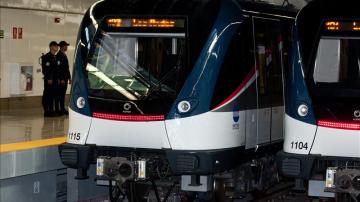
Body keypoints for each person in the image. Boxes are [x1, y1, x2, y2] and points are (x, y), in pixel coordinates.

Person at [41, 41, 60, 117]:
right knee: (47, 95)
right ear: (51, 47)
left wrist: (57, 78)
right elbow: (46, 69)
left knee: (52, 95)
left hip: (54, 80)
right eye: (56, 46)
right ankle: (47, 111)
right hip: (49, 80)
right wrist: (49, 78)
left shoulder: (54, 57)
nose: (57, 47)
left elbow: (55, 70)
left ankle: (51, 110)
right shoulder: (47, 57)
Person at [56, 41, 71, 115]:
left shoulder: (64, 55)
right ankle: (60, 109)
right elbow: (59, 69)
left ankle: (62, 108)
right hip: (62, 79)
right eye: (65, 46)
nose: (67, 47)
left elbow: (66, 68)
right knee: (60, 94)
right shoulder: (59, 56)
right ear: (62, 47)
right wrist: (61, 79)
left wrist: (69, 78)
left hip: (65, 78)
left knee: (63, 94)